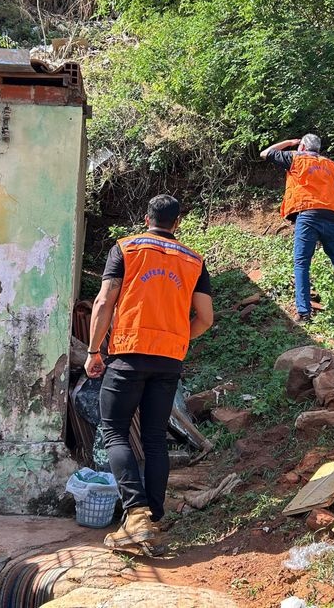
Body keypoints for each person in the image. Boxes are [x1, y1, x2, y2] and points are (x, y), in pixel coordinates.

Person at [85, 195, 214, 555]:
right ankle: (151, 520)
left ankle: (136, 514)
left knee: (114, 430)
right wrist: (174, 338)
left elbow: (104, 300)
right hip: (168, 360)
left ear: (147, 219)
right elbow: (204, 318)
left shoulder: (126, 248)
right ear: (177, 223)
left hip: (128, 353)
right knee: (155, 438)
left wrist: (95, 351)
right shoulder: (193, 260)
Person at [260, 133, 334, 323]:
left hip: (307, 215)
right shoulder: (331, 165)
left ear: (302, 147)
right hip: (333, 217)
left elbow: (265, 153)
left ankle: (304, 313)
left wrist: (291, 142)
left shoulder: (294, 157)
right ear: (318, 149)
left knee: (302, 263)